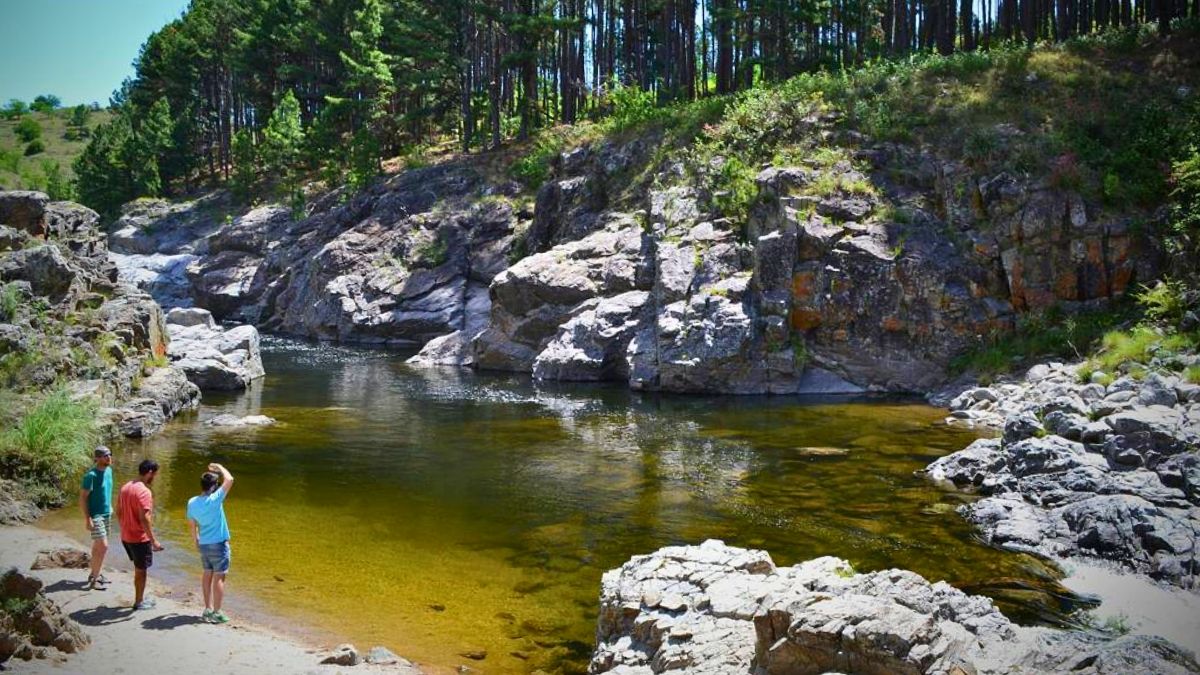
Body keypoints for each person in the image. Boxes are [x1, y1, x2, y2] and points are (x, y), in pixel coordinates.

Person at [186, 463, 234, 624]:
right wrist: (220, 466)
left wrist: (196, 541)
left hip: (204, 544)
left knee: (207, 574)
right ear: (214, 487)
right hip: (219, 545)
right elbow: (230, 479)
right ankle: (217, 612)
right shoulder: (215, 499)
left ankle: (207, 608)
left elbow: (192, 525)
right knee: (219, 578)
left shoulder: (192, 502)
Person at [117, 459, 164, 610]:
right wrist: (154, 541)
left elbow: (118, 510)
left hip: (126, 536)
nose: (154, 478)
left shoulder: (126, 487)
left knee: (138, 568)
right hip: (139, 539)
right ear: (149, 472)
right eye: (154, 475)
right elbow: (145, 518)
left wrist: (125, 526)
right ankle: (139, 602)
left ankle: (140, 599)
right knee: (141, 570)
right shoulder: (144, 492)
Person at [78, 446, 113, 590]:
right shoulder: (90, 476)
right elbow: (82, 499)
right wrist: (88, 519)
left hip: (106, 514)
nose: (109, 457)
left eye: (110, 455)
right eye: (105, 456)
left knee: (98, 547)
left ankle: (94, 574)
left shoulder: (109, 471)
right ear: (97, 458)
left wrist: (110, 507)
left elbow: (107, 490)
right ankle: (95, 579)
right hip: (96, 516)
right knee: (104, 546)